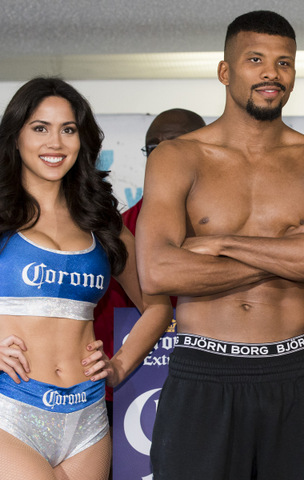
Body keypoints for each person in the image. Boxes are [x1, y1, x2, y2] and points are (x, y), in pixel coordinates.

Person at [136, 11, 304, 480]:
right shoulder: (177, 157)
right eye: (255, 59)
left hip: (294, 373)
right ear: (225, 71)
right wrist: (290, 254)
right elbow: (158, 271)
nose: (270, 73)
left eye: (284, 63)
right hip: (203, 374)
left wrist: (218, 243)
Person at [0, 77, 172, 479]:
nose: (55, 142)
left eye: (67, 129)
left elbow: (157, 305)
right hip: (8, 410)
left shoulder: (102, 223)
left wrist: (120, 367)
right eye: (40, 128)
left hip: (87, 419)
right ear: (15, 137)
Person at [92, 108, 205, 423]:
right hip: (130, 387)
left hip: (215, 380)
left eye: (175, 144)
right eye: (153, 148)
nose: (162, 155)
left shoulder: (236, 223)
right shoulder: (120, 228)